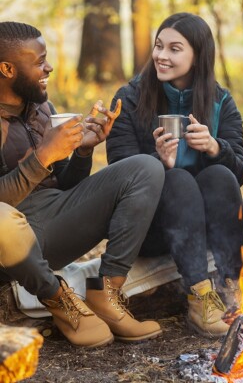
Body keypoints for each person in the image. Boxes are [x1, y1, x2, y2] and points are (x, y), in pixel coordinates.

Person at [0, 21, 166, 347]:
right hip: (9, 245)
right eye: (38, 61)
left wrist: (82, 151)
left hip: (50, 225)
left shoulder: (43, 111)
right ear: (6, 68)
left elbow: (65, 187)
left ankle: (107, 292)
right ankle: (60, 301)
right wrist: (42, 157)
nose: (48, 67)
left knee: (145, 167)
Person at [106, 12, 243, 338]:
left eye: (174, 49)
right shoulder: (129, 98)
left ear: (198, 56)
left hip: (205, 228)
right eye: (159, 46)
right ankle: (200, 297)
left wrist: (215, 147)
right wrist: (156, 164)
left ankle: (230, 285)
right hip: (150, 228)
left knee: (220, 175)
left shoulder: (220, 101)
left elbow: (240, 172)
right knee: (177, 178)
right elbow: (117, 176)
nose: (161, 56)